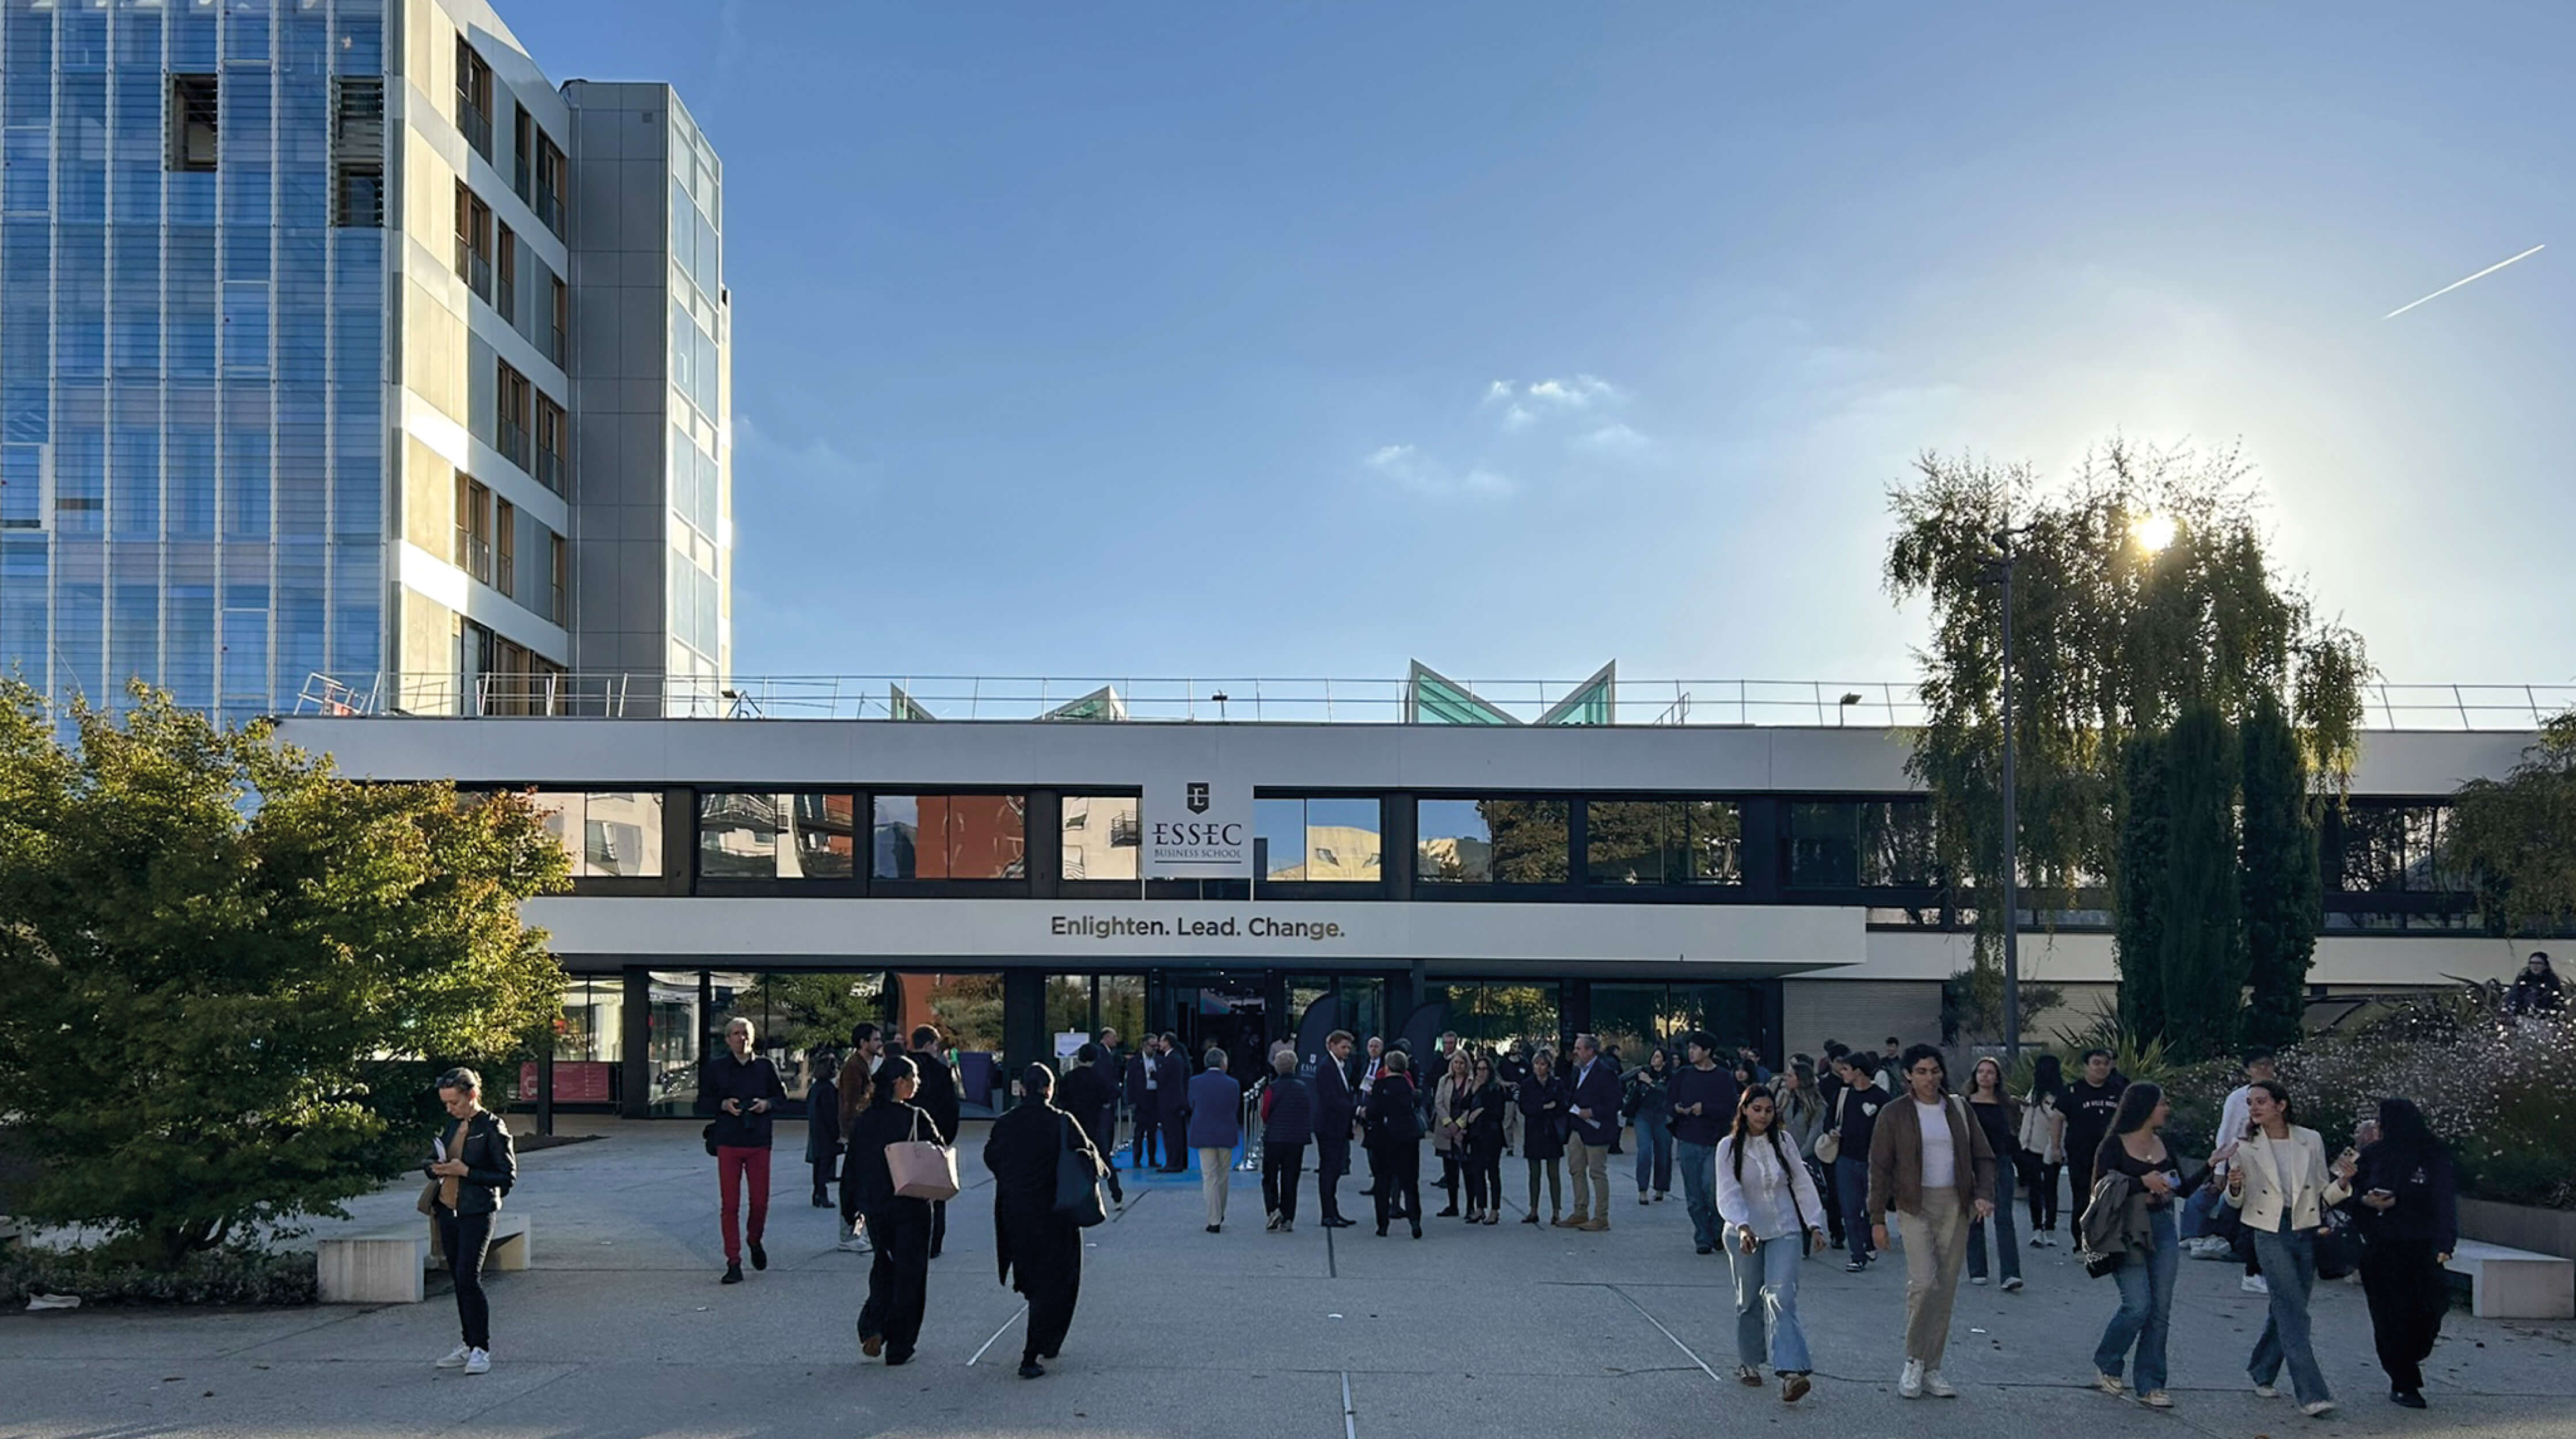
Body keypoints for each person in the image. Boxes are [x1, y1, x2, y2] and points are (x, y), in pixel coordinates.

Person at [1866, 1044, 1997, 1401]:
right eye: (1921, 1071)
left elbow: (1984, 1156)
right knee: (1924, 1283)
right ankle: (1913, 1360)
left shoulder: (1958, 1108)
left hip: (1955, 1203)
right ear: (1907, 1075)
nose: (1929, 1078)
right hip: (1913, 1204)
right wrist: (1877, 1218)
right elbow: (1879, 1168)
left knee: (1945, 1287)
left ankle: (1933, 1365)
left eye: (1934, 1070)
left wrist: (1983, 1193)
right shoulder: (1894, 1114)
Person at [2088, 1082, 2210, 1408]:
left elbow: (2181, 1188)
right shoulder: (2113, 1145)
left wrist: (2212, 1166)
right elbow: (2099, 1189)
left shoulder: (2164, 1143)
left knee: (2160, 1310)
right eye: (2162, 1104)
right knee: (2137, 1305)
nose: (2166, 1109)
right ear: (2144, 1107)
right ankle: (2108, 1361)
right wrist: (2140, 1182)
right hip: (2128, 1229)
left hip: (2163, 1226)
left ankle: (2151, 1383)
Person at [2225, 1079, 2339, 1417]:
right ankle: (2312, 1393)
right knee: (2294, 1313)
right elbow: (2236, 1203)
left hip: (2305, 1228)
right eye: (2250, 1103)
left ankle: (2261, 1370)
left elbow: (2322, 1191)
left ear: (2281, 1105)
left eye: (2261, 1101)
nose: (2254, 1107)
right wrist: (2234, 1187)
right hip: (2268, 1231)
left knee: (2288, 1307)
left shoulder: (2310, 1140)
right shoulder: (2245, 1146)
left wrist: (2344, 1184)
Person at [2335, 1097, 2456, 1409]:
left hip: (2423, 1245)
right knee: (2390, 1317)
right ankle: (2404, 1382)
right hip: (2382, 1246)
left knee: (2430, 1308)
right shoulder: (2373, 1155)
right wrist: (2366, 1200)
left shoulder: (2434, 1154)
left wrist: (2446, 1243)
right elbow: (2342, 1194)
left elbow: (2444, 1199)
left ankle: (2412, 1354)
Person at [983, 1063, 1101, 1379]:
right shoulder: (1062, 1122)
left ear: (1022, 1088)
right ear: (1050, 1090)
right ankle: (1035, 1348)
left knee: (1032, 1277)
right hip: (1056, 1212)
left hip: (1017, 1210)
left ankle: (1041, 1339)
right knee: (1058, 1279)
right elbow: (1089, 1156)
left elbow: (991, 1157)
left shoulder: (1007, 1123)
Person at [1715, 1087, 1828, 1403]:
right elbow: (1728, 1191)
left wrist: (1814, 1224)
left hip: (1784, 1228)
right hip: (1744, 1232)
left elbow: (1802, 1183)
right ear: (1744, 1110)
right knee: (1749, 1298)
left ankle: (1792, 1372)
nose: (1763, 1116)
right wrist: (1743, 1225)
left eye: (1768, 1110)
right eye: (1757, 1109)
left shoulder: (1784, 1142)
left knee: (1782, 1295)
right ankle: (1750, 1361)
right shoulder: (1728, 1148)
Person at [425, 1067, 515, 1376]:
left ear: (472, 1095)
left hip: (477, 1211)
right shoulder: (451, 1126)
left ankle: (481, 1348)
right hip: (448, 1210)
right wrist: (434, 1167)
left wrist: (468, 1173)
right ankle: (468, 1343)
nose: (450, 1109)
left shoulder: (492, 1128)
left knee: (469, 1278)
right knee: (458, 1280)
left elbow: (507, 1176)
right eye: (446, 1104)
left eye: (455, 1103)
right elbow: (434, 1159)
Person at [848, 1055, 934, 1365]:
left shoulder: (867, 1118)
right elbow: (936, 1152)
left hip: (876, 1205)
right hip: (911, 1203)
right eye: (913, 1078)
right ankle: (900, 1344)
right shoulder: (915, 1117)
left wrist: (851, 1207)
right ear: (899, 1082)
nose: (917, 1083)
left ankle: (873, 1325)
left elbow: (852, 1165)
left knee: (884, 1266)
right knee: (911, 1273)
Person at [706, 1016, 785, 1285]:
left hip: (759, 1141)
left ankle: (754, 1239)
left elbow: (782, 1098)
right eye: (737, 1034)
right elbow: (702, 1102)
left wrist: (766, 1104)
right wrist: (724, 1104)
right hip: (728, 1140)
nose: (742, 1038)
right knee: (730, 1206)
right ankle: (733, 1261)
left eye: (746, 1033)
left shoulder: (765, 1067)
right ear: (728, 1039)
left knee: (760, 1202)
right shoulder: (717, 1068)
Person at [2211, 1050, 2280, 1289]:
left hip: (2276, 1160)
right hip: (2246, 1160)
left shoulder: (2280, 1096)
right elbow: (2227, 1132)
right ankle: (2253, 1270)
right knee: (2254, 1215)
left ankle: (2264, 1266)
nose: (2264, 1070)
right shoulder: (2238, 1098)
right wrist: (2220, 1170)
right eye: (2258, 1066)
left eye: (2268, 1065)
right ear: (2248, 1070)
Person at [1669, 1033, 1741, 1254]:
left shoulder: (1723, 1078)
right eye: (1689, 1048)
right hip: (1688, 1139)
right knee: (1694, 1195)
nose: (1691, 1052)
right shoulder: (1683, 1075)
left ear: (1708, 1051)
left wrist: (1706, 1108)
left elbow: (1732, 1108)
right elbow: (1669, 1101)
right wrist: (1678, 1110)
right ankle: (1703, 1236)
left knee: (1712, 1191)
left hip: (1714, 1142)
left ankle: (1716, 1228)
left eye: (1695, 1048)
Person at [1961, 1057, 2025, 1292]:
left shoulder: (2007, 1105)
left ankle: (2010, 1273)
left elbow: (2013, 1137)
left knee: (2004, 1218)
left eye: (1990, 1072)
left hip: (2001, 1162)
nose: (1986, 1076)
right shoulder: (1966, 1105)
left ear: (1997, 1077)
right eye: (1981, 1072)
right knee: (1974, 1217)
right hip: (1972, 1163)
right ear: (1975, 1076)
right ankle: (1978, 1269)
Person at [1829, 1053, 1890, 1270]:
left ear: (1859, 1071)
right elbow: (1830, 1119)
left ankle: (1869, 1241)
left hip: (1872, 1162)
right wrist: (1832, 1131)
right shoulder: (1843, 1095)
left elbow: (1889, 1130)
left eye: (1846, 1069)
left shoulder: (1882, 1098)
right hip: (1846, 1159)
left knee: (1869, 1207)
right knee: (1850, 1208)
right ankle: (1857, 1255)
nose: (1842, 1073)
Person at [907, 1026, 961, 1259]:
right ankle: (934, 1242)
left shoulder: (902, 1068)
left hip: (905, 1140)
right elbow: (952, 1109)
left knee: (905, 1190)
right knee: (936, 1192)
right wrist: (944, 1139)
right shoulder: (941, 1072)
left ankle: (907, 1240)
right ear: (931, 1044)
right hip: (934, 1138)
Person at [836, 1022, 889, 1255]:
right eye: (875, 1040)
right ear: (863, 1043)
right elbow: (850, 1103)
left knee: (864, 1184)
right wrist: (852, 1132)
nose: (879, 1044)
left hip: (865, 1133)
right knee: (855, 1184)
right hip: (858, 1134)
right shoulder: (854, 1067)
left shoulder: (867, 1065)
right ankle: (848, 1235)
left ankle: (857, 1232)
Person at [2062, 1048, 2128, 1231]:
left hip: (2112, 1154)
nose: (2101, 1068)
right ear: (2086, 1066)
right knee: (2082, 1198)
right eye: (2096, 1063)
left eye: (2105, 1064)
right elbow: (2057, 1118)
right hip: (2081, 1154)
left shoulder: (2120, 1090)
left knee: (2111, 1197)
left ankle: (2108, 1241)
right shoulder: (2073, 1091)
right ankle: (2080, 1243)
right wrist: (2054, 1147)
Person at [1559, 1033, 1620, 1232]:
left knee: (1597, 1172)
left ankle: (1601, 1216)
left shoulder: (1605, 1072)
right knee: (1576, 1169)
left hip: (1596, 1129)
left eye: (1579, 1048)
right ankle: (1580, 1211)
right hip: (1577, 1126)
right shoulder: (1577, 1071)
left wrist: (1593, 1112)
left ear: (1590, 1051)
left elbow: (1615, 1103)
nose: (1575, 1052)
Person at [1363, 1050, 1424, 1238]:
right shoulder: (1410, 1089)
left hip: (1383, 1138)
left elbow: (1373, 1112)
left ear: (1387, 1067)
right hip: (1407, 1137)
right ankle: (1414, 1220)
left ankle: (1382, 1225)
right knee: (1410, 1182)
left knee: (1382, 1182)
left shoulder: (1380, 1086)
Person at [1057, 1042, 1124, 1206]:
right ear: (1095, 1059)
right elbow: (1114, 1093)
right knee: (1105, 1159)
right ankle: (1116, 1195)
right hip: (1094, 1124)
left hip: (1073, 1125)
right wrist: (1105, 1103)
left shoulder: (1069, 1078)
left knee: (1068, 1161)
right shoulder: (1098, 1078)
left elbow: (1061, 1101)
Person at [1186, 1048, 1242, 1231]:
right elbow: (1235, 1106)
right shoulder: (1233, 1084)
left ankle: (1214, 1218)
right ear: (1223, 1063)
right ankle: (1221, 1211)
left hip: (1204, 1132)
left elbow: (1191, 1104)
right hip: (1226, 1132)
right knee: (1223, 1176)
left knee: (1209, 1176)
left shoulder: (1195, 1082)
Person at [1259, 1048, 1314, 1232]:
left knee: (1270, 1176)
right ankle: (1289, 1216)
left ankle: (1273, 1209)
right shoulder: (1303, 1088)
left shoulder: (1272, 1088)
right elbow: (1307, 1111)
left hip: (1275, 1138)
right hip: (1295, 1139)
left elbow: (1265, 1113)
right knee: (1291, 1178)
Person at [2018, 1054, 2069, 1247]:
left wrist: (2056, 1148)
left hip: (2049, 1147)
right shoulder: (2034, 1091)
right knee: (2034, 1189)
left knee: (2050, 1189)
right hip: (2029, 1146)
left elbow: (2058, 1121)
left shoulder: (2057, 1096)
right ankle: (2037, 1228)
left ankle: (2050, 1229)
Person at [1311, 1030, 1360, 1228]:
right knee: (1329, 1170)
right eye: (1343, 1047)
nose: (1347, 1051)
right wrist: (1355, 1110)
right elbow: (1332, 1099)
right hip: (1329, 1126)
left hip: (1338, 1126)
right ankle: (1328, 1214)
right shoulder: (1326, 1068)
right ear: (1331, 1045)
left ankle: (1333, 1211)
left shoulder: (1341, 1066)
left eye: (1349, 1048)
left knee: (1335, 1169)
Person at [1516, 1045, 1569, 1224]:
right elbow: (1525, 1107)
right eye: (1537, 1064)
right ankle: (1533, 1209)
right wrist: (1544, 1107)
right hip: (1534, 1131)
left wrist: (1549, 1108)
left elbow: (1562, 1105)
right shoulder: (1527, 1084)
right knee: (1534, 1174)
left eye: (1543, 1064)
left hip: (1552, 1131)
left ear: (1549, 1066)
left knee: (1554, 1174)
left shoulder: (1557, 1084)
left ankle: (1556, 1211)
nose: (1539, 1067)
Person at [1626, 1046, 1676, 1206]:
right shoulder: (1644, 1072)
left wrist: (1650, 1082)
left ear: (1664, 1060)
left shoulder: (1670, 1077)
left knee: (1663, 1153)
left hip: (1662, 1116)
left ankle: (1660, 1188)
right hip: (1644, 1115)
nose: (1655, 1060)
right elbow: (1621, 1079)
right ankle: (1642, 1190)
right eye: (1653, 1056)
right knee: (1645, 1151)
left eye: (1658, 1057)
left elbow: (1668, 1093)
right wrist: (1637, 1073)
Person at [1461, 1054, 1507, 1225]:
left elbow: (1498, 1113)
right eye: (1478, 1069)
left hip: (1492, 1135)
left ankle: (1495, 1210)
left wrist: (1481, 1111)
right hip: (1475, 1135)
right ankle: (1480, 1207)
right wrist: (1473, 1089)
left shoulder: (1496, 1089)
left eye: (1484, 1069)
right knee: (1477, 1171)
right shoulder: (1475, 1087)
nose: (1481, 1073)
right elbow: (1464, 1104)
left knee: (1493, 1172)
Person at [1430, 1049, 1473, 1217]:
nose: (1458, 1066)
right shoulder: (1445, 1080)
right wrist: (1449, 1123)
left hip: (1464, 1130)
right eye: (1456, 1063)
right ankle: (1453, 1205)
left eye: (1462, 1063)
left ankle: (1471, 1207)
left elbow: (1473, 1105)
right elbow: (1438, 1102)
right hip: (1446, 1130)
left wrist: (1460, 1125)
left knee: (1469, 1171)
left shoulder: (1472, 1081)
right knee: (1450, 1171)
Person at [805, 1052, 843, 1209]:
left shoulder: (815, 1088)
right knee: (825, 1165)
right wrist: (838, 1132)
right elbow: (831, 1114)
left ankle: (817, 1194)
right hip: (827, 1131)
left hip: (816, 1130)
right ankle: (822, 1194)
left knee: (818, 1164)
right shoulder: (828, 1090)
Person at [1122, 1036, 1163, 1171]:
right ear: (1145, 1046)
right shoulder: (1135, 1062)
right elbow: (1130, 1082)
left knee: (1153, 1131)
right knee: (1139, 1131)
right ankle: (1137, 1159)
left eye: (1156, 1046)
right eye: (1152, 1046)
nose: (1155, 1049)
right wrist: (1131, 1101)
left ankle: (1152, 1158)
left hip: (1154, 1097)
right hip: (1141, 1098)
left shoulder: (1159, 1060)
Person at [1156, 1033, 1192, 1172]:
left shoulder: (1171, 1059)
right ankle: (1179, 1161)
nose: (1159, 1044)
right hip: (1176, 1101)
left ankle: (1173, 1163)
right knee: (1178, 1133)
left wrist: (1155, 1074)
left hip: (1170, 1102)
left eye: (1162, 1041)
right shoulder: (1177, 1058)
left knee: (1172, 1134)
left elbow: (1165, 1079)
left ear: (1168, 1042)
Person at [2509, 951, 2564, 1015]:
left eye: (2539, 963)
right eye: (2532, 963)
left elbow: (2557, 1000)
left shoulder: (2552, 981)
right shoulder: (2522, 979)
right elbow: (2513, 996)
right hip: (2522, 1016)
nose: (2535, 966)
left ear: (2545, 965)